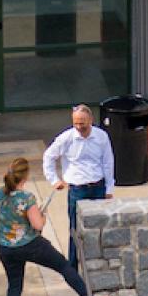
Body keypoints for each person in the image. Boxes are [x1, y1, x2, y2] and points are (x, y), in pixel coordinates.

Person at [0, 156, 108, 296]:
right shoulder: (26, 197)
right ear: (25, 177)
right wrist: (42, 215)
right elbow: (38, 225)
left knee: (14, 286)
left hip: (5, 247)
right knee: (63, 265)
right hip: (30, 244)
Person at [43, 103, 114, 266]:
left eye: (82, 122)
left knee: (99, 226)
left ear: (91, 120)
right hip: (77, 189)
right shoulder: (66, 138)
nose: (79, 126)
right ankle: (73, 267)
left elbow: (108, 162)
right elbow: (49, 156)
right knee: (75, 229)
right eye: (76, 123)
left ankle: (97, 261)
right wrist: (54, 180)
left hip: (98, 187)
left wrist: (109, 188)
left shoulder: (101, 136)